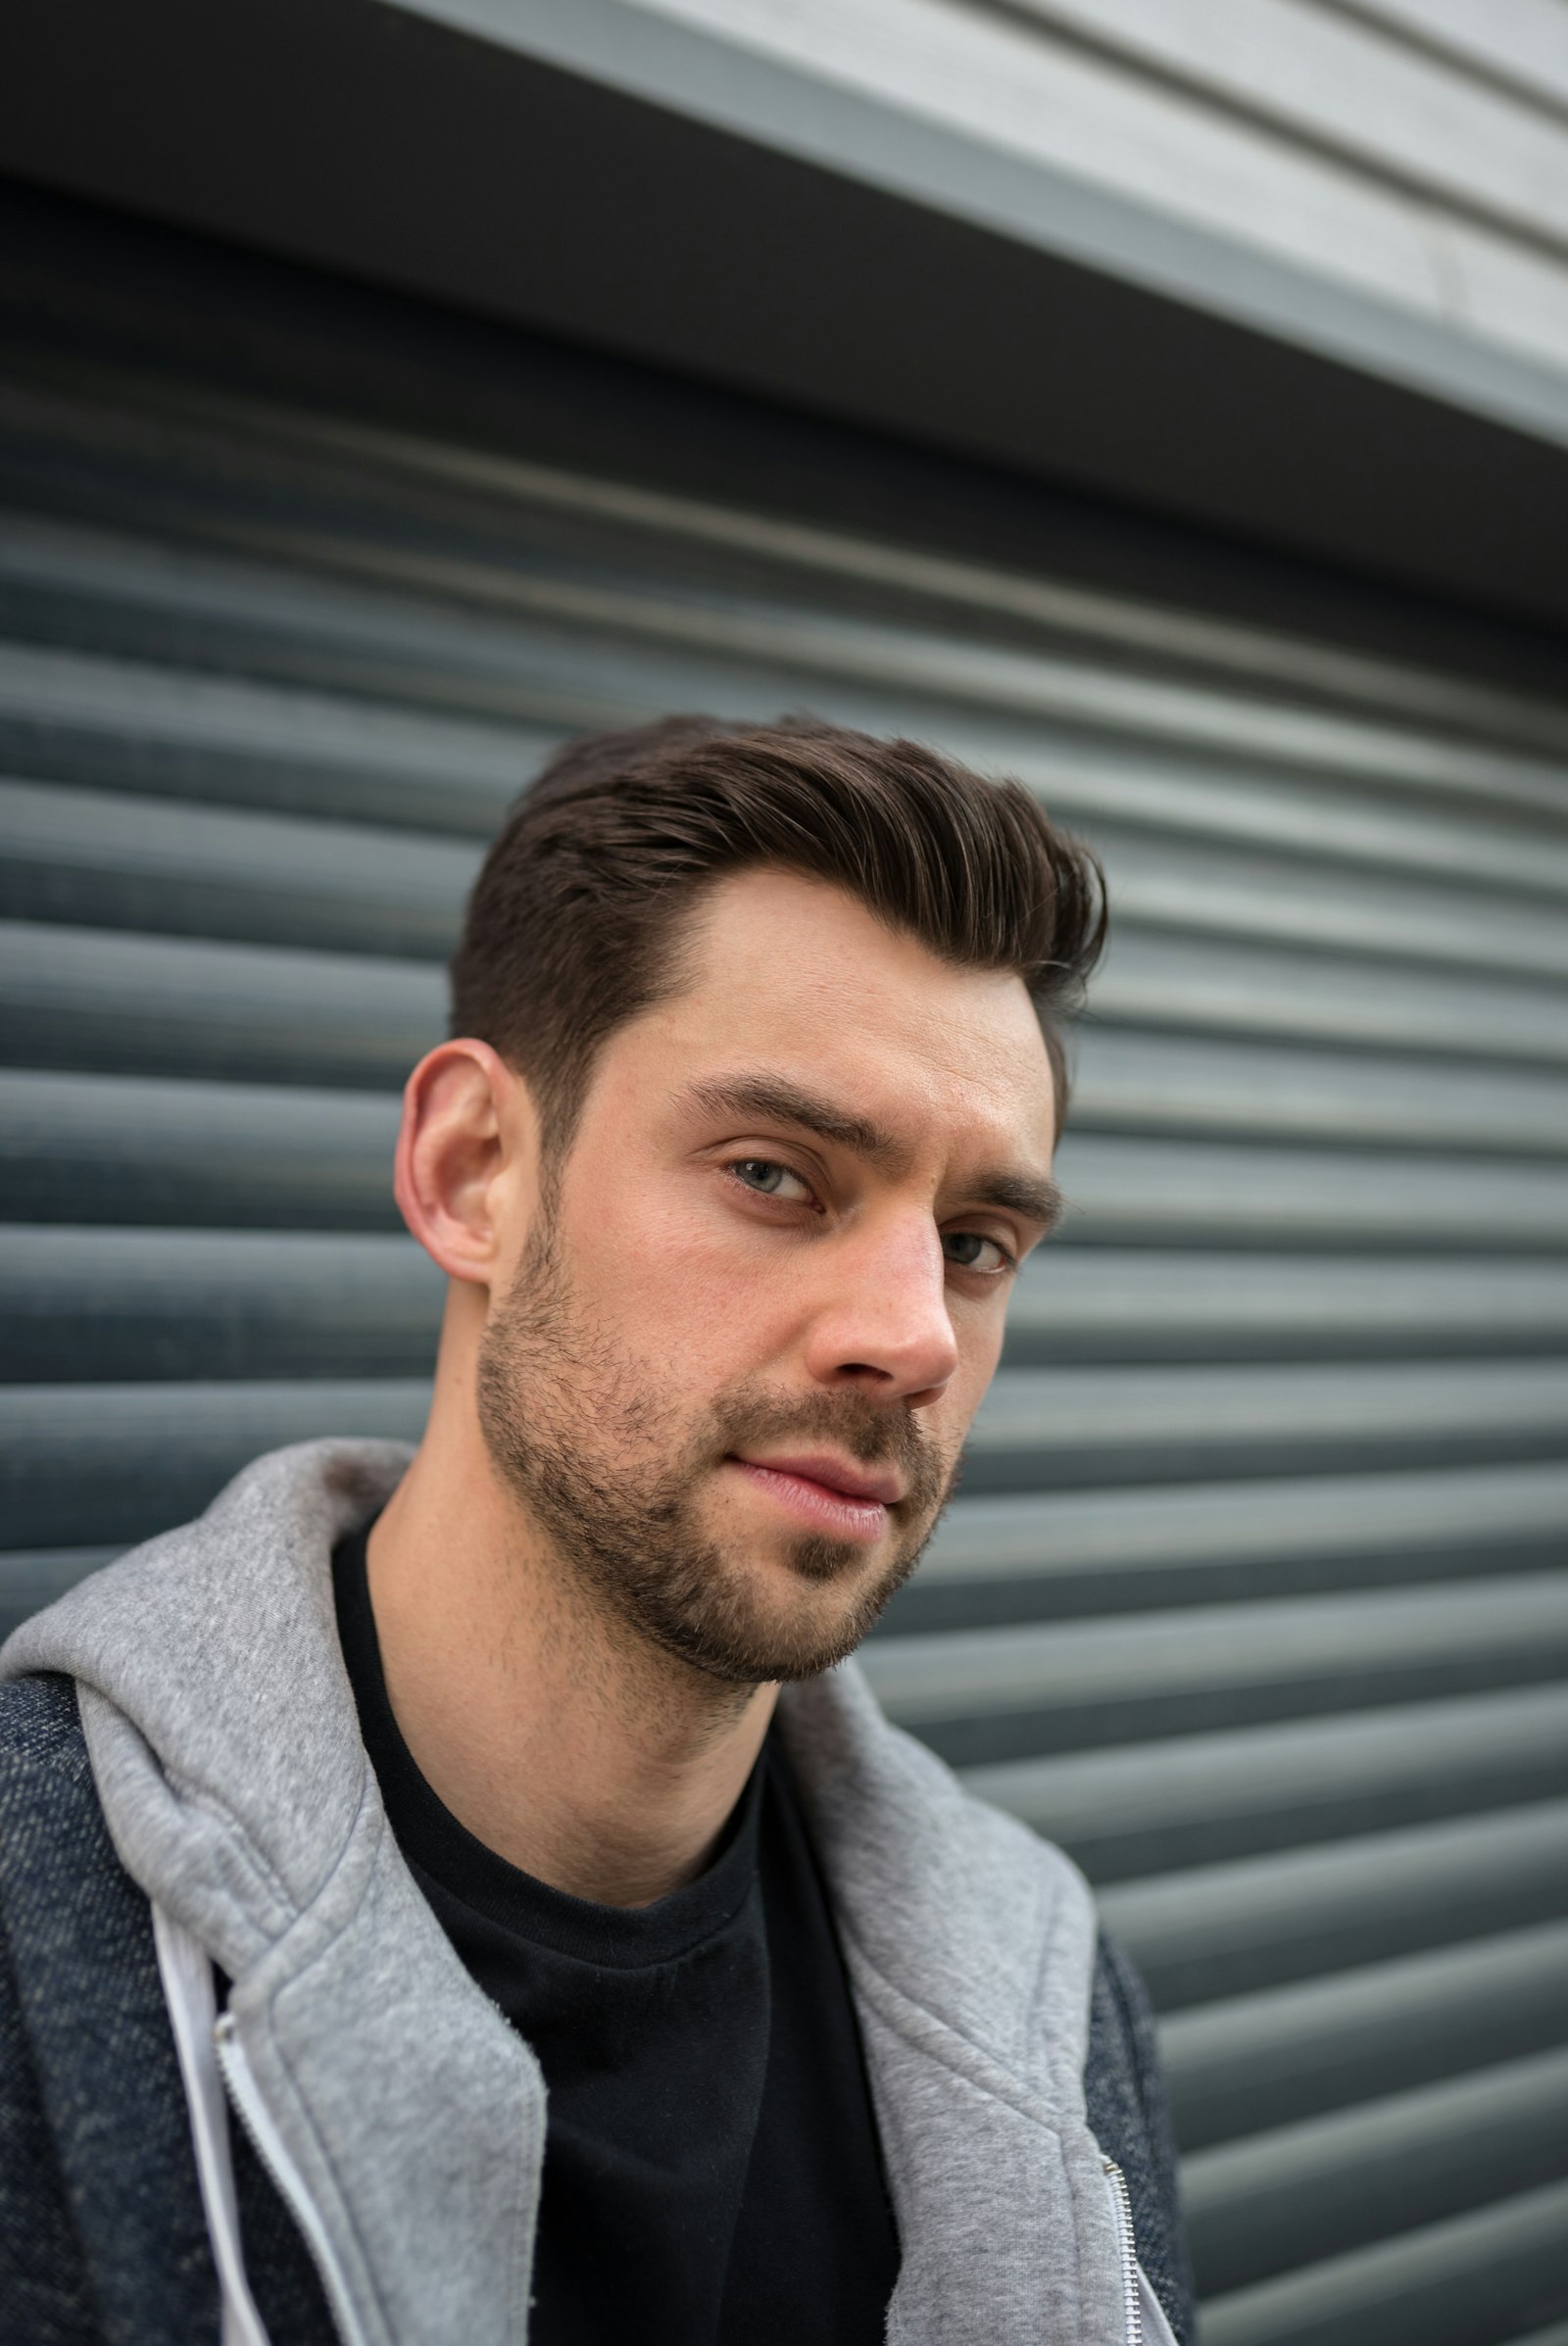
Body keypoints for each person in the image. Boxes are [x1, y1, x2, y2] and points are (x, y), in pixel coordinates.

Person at [0, 718, 1194, 2346]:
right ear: (471, 1166)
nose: (916, 1335)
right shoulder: (34, 1931)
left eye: (979, 1241)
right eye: (777, 1172)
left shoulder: (1047, 1999)